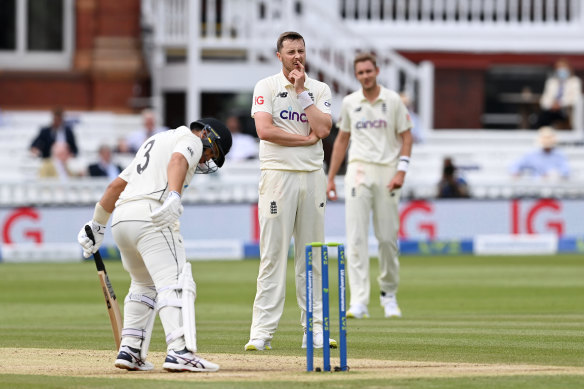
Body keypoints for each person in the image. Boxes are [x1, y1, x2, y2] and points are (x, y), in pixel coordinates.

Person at [77, 118, 232, 372]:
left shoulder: (155, 140)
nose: (206, 160)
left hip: (122, 221)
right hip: (151, 216)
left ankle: (130, 350)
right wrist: (174, 194)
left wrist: (97, 224)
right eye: (211, 151)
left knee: (143, 284)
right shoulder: (191, 139)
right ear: (205, 134)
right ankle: (180, 351)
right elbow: (178, 160)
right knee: (177, 280)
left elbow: (117, 185)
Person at [244, 31, 334, 351]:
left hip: (311, 177)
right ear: (279, 56)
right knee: (273, 256)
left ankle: (315, 329)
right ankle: (261, 332)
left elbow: (323, 129)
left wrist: (302, 93)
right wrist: (305, 140)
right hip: (277, 177)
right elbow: (264, 131)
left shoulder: (319, 89)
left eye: (301, 51)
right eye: (291, 51)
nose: (297, 56)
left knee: (312, 257)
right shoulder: (266, 86)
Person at [326, 53, 413, 320]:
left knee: (387, 239)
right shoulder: (351, 102)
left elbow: (406, 137)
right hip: (358, 171)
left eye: (368, 71)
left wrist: (402, 170)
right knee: (356, 238)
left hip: (388, 171)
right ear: (357, 75)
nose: (365, 76)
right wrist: (330, 178)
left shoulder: (393, 100)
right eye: (360, 73)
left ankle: (388, 295)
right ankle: (359, 300)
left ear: (376, 71)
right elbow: (342, 140)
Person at [536, 58, 582, 129]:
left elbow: (576, 98)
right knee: (542, 117)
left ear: (569, 68)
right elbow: (544, 99)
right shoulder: (551, 82)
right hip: (551, 110)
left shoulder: (575, 82)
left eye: (563, 67)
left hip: (566, 110)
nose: (561, 70)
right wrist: (552, 105)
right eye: (559, 68)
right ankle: (544, 135)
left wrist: (560, 103)